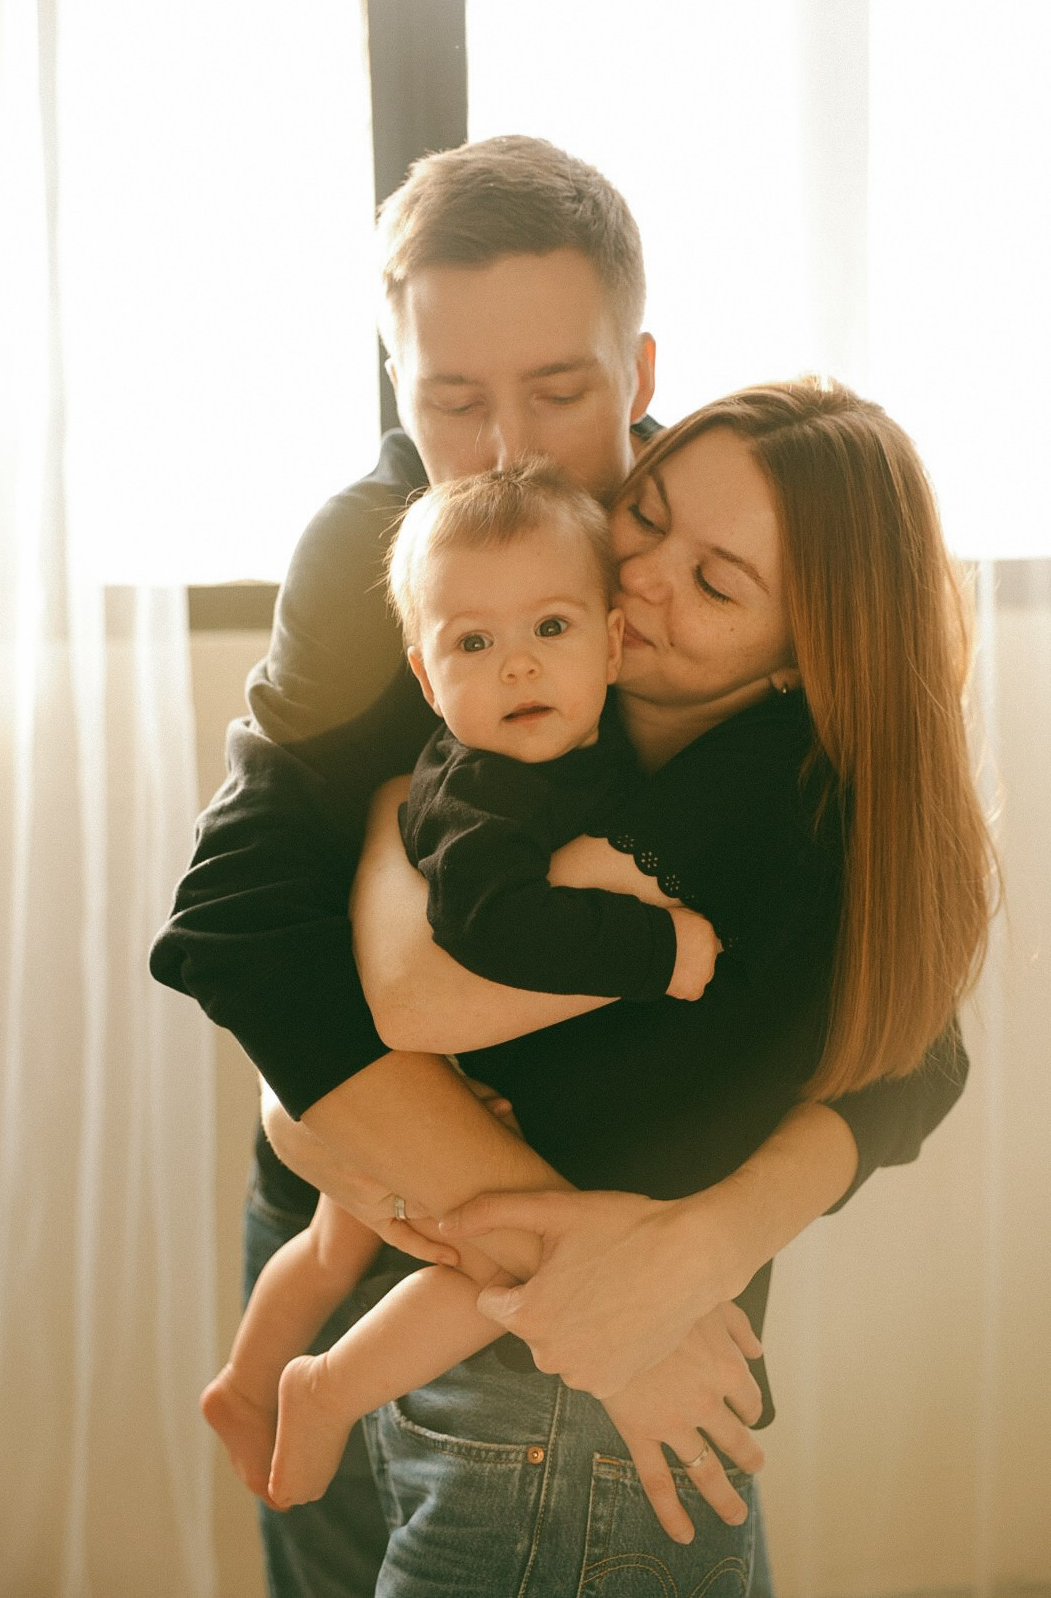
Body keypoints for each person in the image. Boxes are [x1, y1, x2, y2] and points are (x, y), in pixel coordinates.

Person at [151, 136, 975, 1597]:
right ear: (396, 381)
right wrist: (568, 1256)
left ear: (641, 368)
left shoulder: (713, 528)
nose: (509, 451)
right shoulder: (379, 548)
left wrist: (677, 1262)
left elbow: (906, 1029)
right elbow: (234, 923)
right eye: (452, 401)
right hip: (381, 1220)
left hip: (612, 1289)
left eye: (561, 391)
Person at [201, 462, 722, 1511]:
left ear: (615, 641)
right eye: (474, 644)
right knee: (497, 1276)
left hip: (426, 1082)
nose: (519, 668)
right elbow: (488, 927)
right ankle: (324, 1387)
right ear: (429, 678)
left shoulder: (565, 751)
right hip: (444, 1097)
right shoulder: (482, 789)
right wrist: (659, 953)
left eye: (552, 630)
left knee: (325, 1246)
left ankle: (245, 1378)